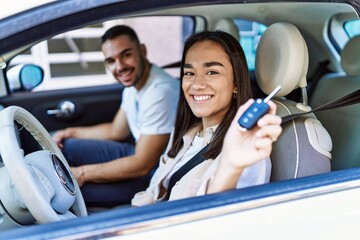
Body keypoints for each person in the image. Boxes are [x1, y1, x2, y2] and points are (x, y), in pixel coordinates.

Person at [131, 31, 282, 206]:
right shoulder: (185, 132)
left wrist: (230, 168)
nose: (196, 84)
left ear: (235, 84)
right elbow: (153, 191)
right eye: (189, 73)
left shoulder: (247, 149)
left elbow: (223, 222)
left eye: (211, 72)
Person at [52, 25, 179, 207]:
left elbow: (142, 164)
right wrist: (70, 132)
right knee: (69, 146)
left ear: (142, 50)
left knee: (69, 191)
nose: (120, 67)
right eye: (111, 61)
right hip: (139, 154)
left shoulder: (160, 91)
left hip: (156, 175)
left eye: (126, 55)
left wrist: (82, 174)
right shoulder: (133, 85)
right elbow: (116, 130)